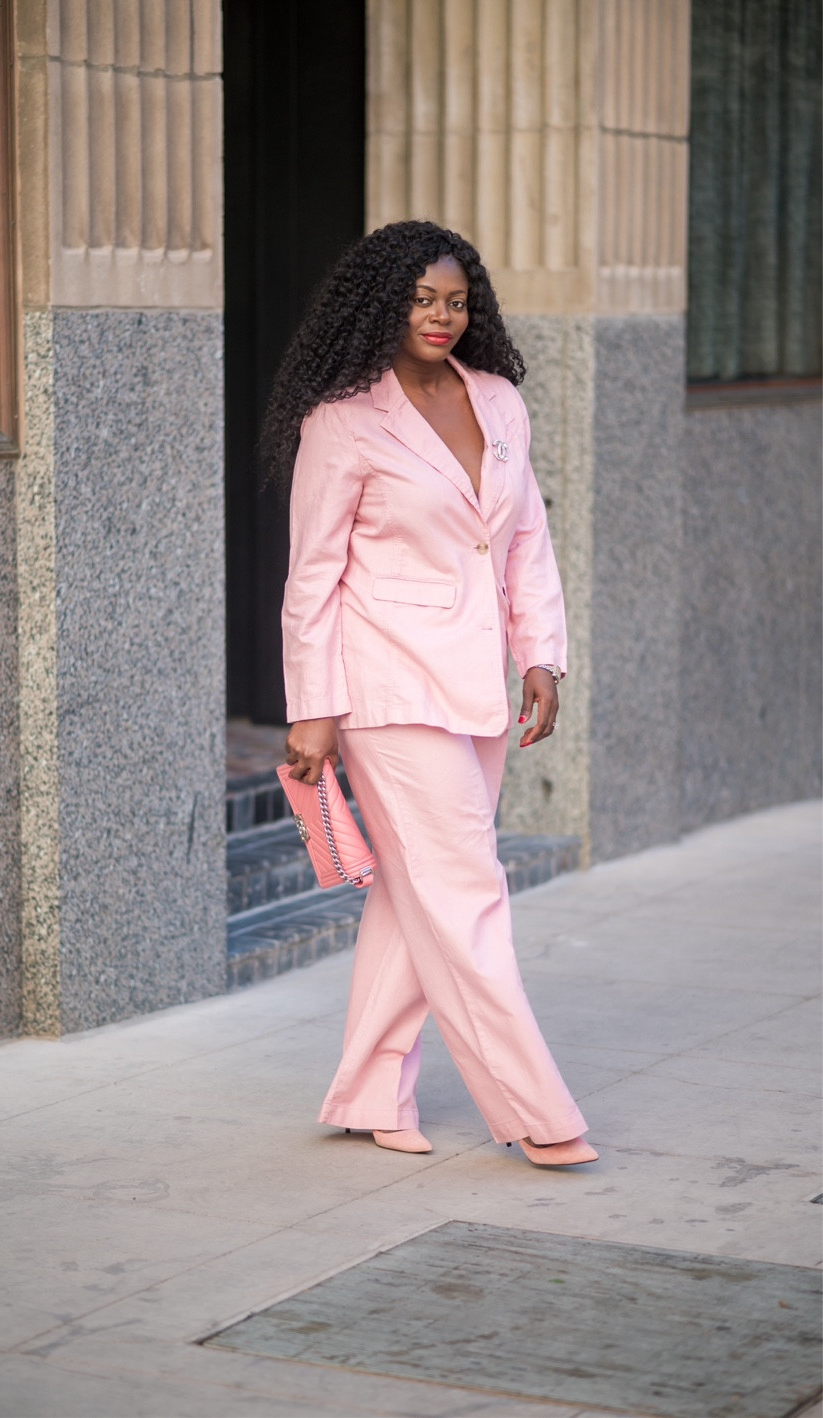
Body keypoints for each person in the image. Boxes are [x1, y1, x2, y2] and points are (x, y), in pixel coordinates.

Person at [264, 220, 597, 1169]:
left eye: (454, 300)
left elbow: (524, 536)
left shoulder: (496, 401)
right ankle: (535, 1110)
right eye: (420, 299)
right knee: (466, 891)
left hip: (478, 685)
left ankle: (369, 1091)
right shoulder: (341, 419)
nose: (441, 316)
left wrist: (541, 655)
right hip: (384, 686)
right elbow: (311, 577)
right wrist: (311, 709)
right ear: (382, 304)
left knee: (418, 893)